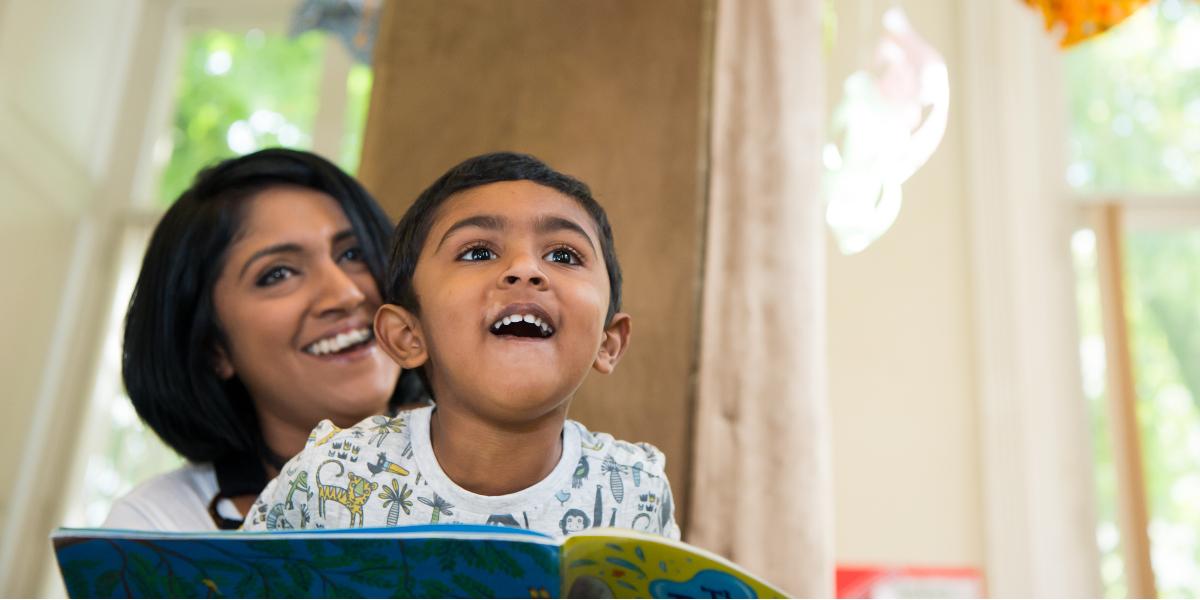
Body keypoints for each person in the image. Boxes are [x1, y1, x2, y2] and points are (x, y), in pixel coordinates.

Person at [243, 152, 679, 538]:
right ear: (407, 336)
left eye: (563, 255)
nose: (525, 269)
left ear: (608, 342)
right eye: (478, 252)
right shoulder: (329, 480)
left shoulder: (637, 491)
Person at [104, 148, 425, 530]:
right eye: (279, 274)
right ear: (213, 347)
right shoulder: (159, 528)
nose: (345, 294)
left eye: (352, 253)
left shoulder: (500, 471)